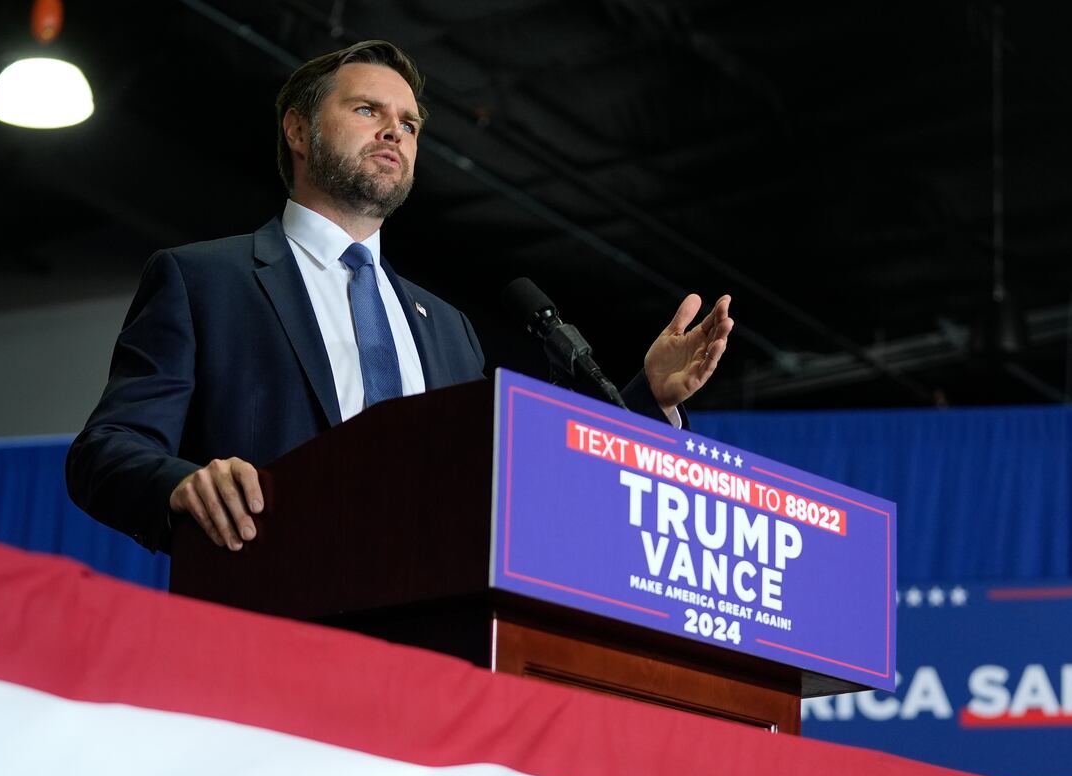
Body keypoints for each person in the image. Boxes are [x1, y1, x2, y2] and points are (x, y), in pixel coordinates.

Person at [67, 40, 734, 554]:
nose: (395, 132)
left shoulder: (448, 329)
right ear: (298, 132)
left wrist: (648, 400)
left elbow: (522, 491)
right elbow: (107, 450)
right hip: (266, 628)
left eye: (409, 124)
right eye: (367, 110)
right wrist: (181, 484)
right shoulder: (205, 280)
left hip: (433, 652)